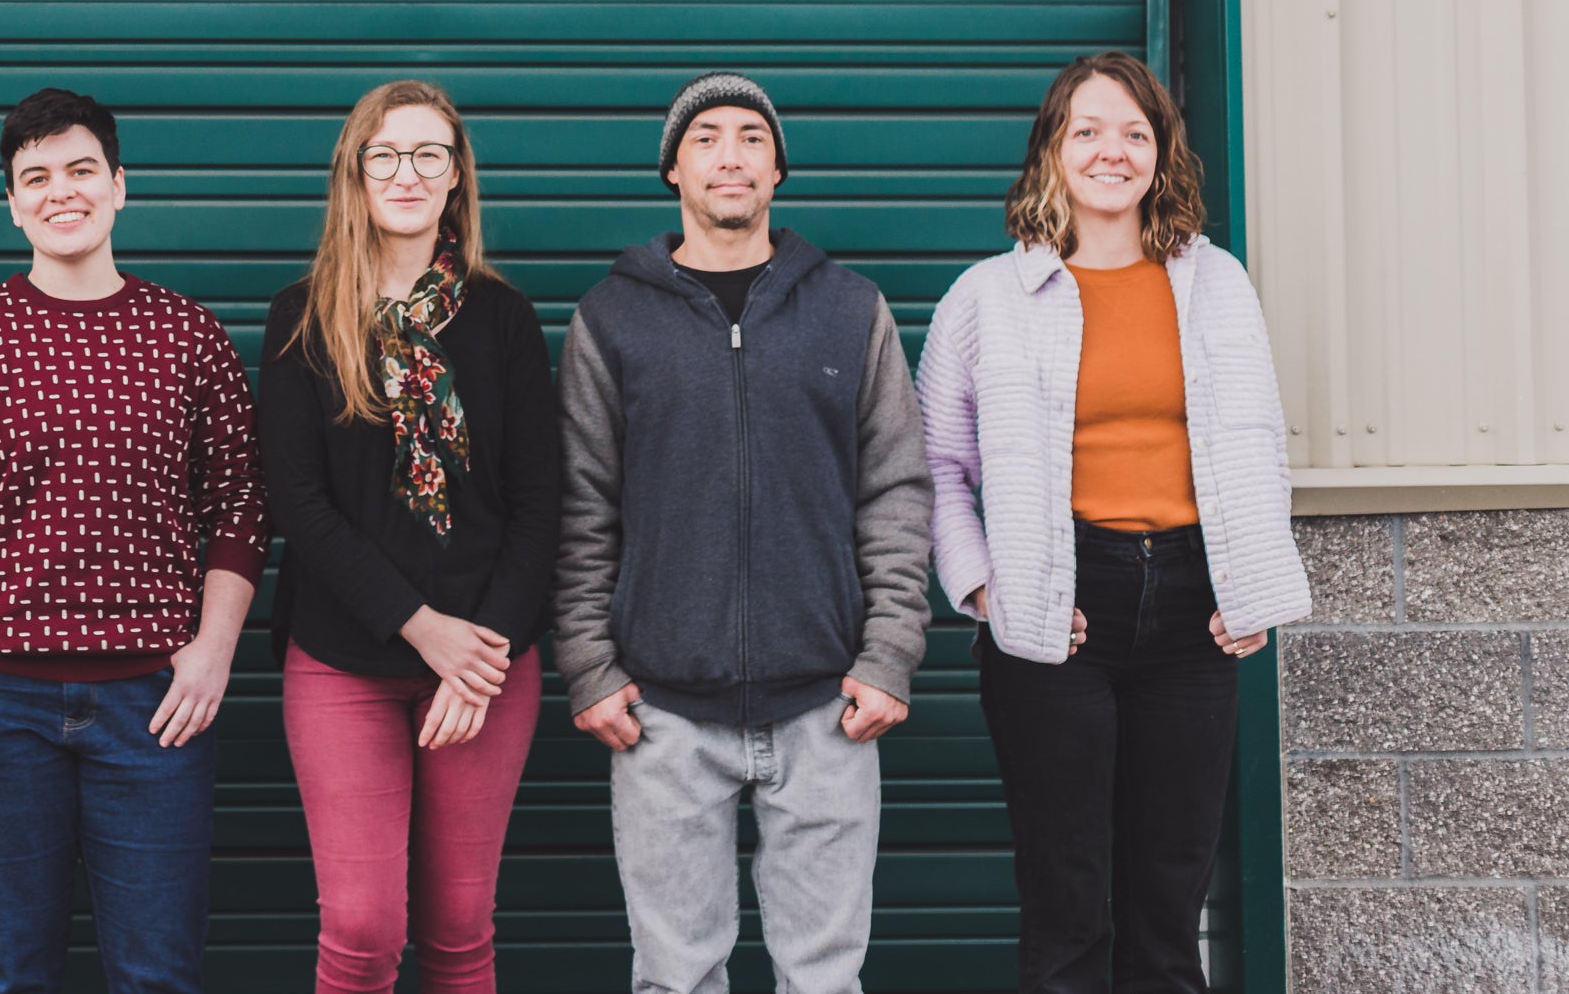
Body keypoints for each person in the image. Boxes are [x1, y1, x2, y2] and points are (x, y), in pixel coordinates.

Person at [917, 52, 1310, 994]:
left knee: (1170, 902)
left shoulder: (1217, 284)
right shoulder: (986, 299)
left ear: (1160, 157)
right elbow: (937, 464)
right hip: (1058, 604)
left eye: (1136, 132)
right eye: (1087, 130)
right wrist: (983, 585)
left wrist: (1251, 584)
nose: (1112, 151)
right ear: (1052, 153)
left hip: (1192, 611)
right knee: (1068, 894)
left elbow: (1257, 440)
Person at [551, 71, 933, 994]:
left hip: (827, 706)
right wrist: (591, 669)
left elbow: (896, 493)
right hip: (663, 717)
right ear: (673, 170)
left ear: (778, 169)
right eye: (708, 137)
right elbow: (582, 507)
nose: (732, 155)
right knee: (675, 978)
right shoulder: (613, 319)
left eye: (752, 138)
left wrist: (888, 657)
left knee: (824, 980)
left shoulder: (851, 308)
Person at [0, 87, 268, 994]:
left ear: (119, 185)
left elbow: (240, 508)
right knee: (9, 974)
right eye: (36, 177)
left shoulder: (187, 335)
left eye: (80, 170)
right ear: (12, 203)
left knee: (156, 973)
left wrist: (212, 654)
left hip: (156, 703)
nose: (61, 192)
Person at [258, 81, 560, 994]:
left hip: (487, 663)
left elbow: (542, 502)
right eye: (384, 154)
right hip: (346, 658)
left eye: (431, 154)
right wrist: (420, 626)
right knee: (361, 929)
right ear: (354, 175)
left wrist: (484, 650)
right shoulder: (303, 317)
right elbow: (298, 504)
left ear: (457, 178)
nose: (407, 173)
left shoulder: (503, 319)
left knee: (461, 930)